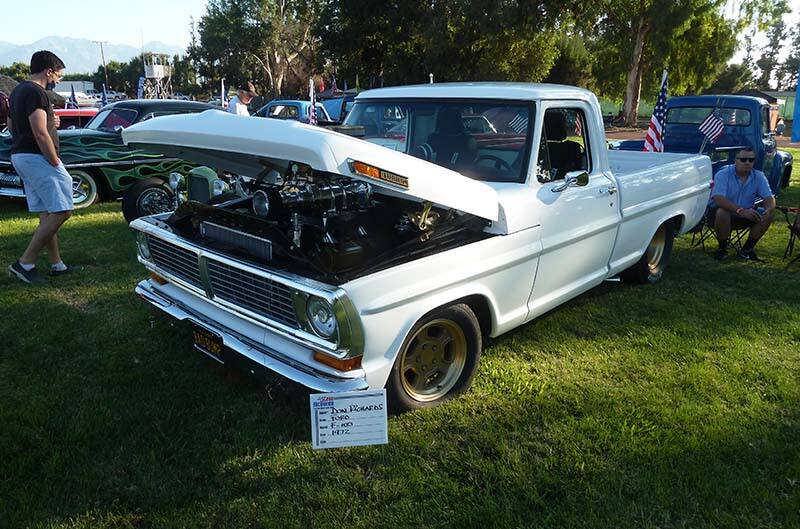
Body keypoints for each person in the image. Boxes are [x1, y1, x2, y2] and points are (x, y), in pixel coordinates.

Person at [7, 50, 76, 284]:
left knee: (48, 212)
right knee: (62, 210)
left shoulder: (18, 91)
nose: (58, 79)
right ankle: (25, 263)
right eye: (58, 75)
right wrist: (54, 160)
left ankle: (57, 264)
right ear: (49, 71)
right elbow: (38, 131)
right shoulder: (37, 92)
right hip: (38, 157)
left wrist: (50, 120)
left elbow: (11, 124)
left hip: (21, 155)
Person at [708, 145, 775, 262]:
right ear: (735, 160)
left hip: (746, 214)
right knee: (722, 212)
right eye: (743, 159)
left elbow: (769, 197)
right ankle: (722, 249)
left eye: (751, 160)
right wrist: (741, 211)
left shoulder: (759, 176)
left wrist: (769, 208)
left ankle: (747, 250)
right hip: (718, 214)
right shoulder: (723, 174)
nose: (747, 163)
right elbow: (718, 199)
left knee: (768, 215)